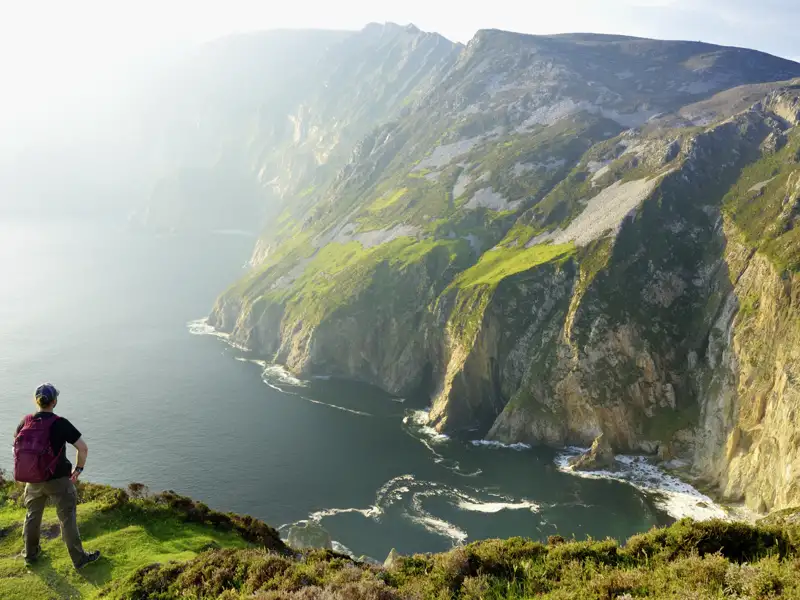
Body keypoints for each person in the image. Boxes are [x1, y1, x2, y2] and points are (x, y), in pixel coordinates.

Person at [13, 383, 101, 569]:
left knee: (32, 516)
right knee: (67, 518)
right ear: (54, 401)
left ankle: (30, 554)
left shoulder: (25, 421)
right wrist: (78, 470)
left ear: (35, 400)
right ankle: (79, 559)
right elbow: (83, 448)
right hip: (59, 480)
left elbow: (16, 447)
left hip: (33, 480)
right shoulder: (60, 423)